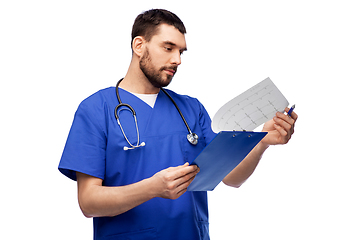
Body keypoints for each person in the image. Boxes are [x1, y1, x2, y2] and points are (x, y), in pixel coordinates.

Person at [58, 9, 298, 240]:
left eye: (181, 52)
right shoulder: (95, 110)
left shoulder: (191, 109)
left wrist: (262, 142)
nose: (177, 60)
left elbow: (231, 178)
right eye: (168, 48)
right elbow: (88, 202)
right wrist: (152, 188)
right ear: (139, 46)